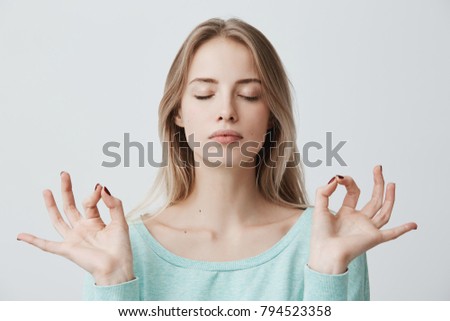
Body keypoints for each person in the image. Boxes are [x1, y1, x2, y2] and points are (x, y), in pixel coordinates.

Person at [17, 18, 417, 301]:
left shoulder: (329, 238)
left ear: (273, 115)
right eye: (205, 94)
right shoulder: (121, 247)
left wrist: (329, 273)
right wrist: (112, 282)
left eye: (249, 95)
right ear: (177, 112)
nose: (226, 110)